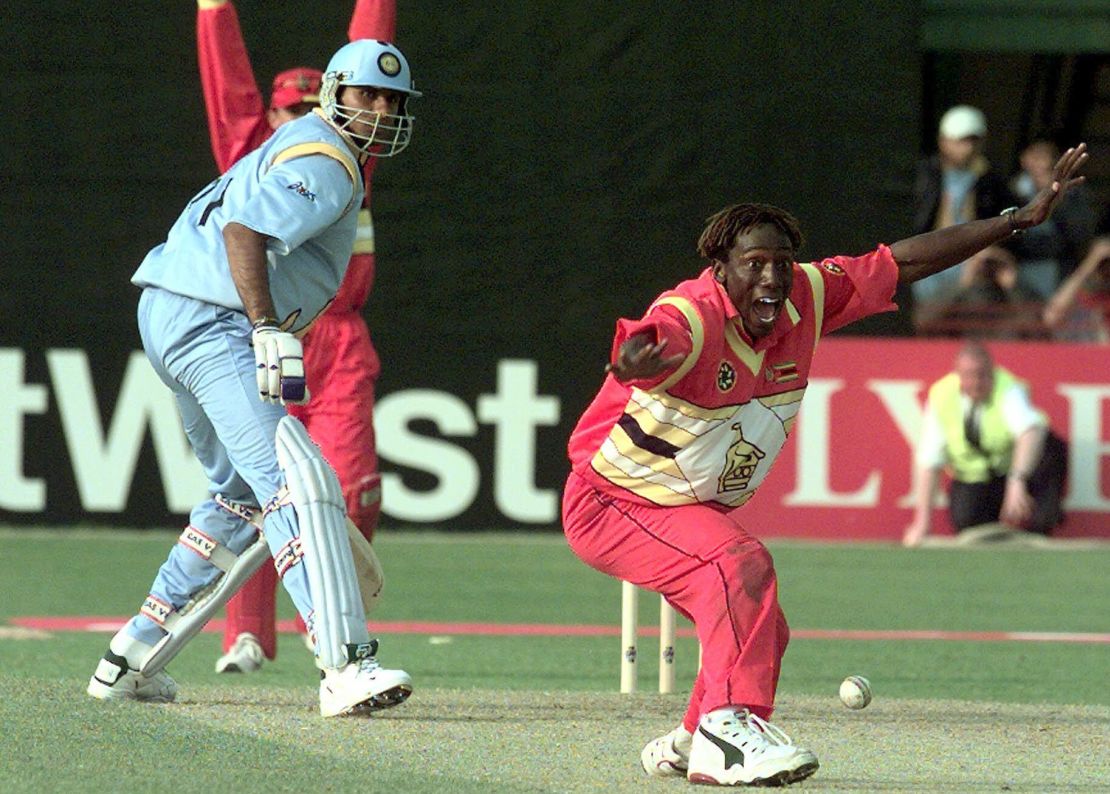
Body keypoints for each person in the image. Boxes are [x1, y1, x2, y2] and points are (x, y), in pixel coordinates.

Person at [562, 145, 1088, 786]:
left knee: (763, 626)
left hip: (677, 504)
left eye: (781, 263)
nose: (772, 279)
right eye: (753, 264)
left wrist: (1015, 220)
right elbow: (654, 338)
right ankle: (728, 735)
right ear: (720, 268)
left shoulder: (806, 296)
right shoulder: (693, 318)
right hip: (615, 501)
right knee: (738, 564)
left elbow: (904, 261)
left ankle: (690, 737)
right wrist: (633, 362)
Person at [86, 38, 421, 718]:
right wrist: (265, 324)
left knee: (238, 500)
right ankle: (346, 664)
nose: (382, 110)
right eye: (368, 95)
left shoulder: (303, 140)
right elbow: (244, 231)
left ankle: (130, 657)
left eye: (393, 99)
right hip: (214, 319)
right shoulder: (329, 159)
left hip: (170, 308)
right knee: (297, 477)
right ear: (336, 93)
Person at [196, 0, 398, 674]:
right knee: (260, 488)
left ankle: (328, 617)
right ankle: (247, 634)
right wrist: (213, 9)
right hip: (264, 335)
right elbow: (229, 86)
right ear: (272, 116)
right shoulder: (250, 148)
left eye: (314, 104)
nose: (300, 118)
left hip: (337, 344)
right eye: (288, 109)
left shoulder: (350, 155)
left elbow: (370, 49)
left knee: (348, 487)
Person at [902, 342, 1068, 548]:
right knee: (967, 526)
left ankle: (1039, 531)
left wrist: (1017, 481)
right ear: (958, 376)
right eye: (969, 375)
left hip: (1019, 470)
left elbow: (1030, 432)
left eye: (982, 375)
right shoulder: (941, 396)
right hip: (976, 476)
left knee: (1051, 452)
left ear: (992, 372)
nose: (976, 382)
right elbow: (929, 460)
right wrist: (922, 524)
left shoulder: (1007, 388)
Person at [911, 105, 1016, 306]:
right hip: (928, 260)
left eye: (973, 141)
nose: (967, 148)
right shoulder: (925, 175)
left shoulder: (991, 181)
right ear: (944, 141)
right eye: (961, 141)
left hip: (972, 264)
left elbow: (1008, 222)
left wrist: (992, 251)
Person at [1009, 138, 1098, 298]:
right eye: (1035, 157)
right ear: (1024, 159)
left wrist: (1056, 199)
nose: (1041, 164)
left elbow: (1080, 235)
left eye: (1046, 157)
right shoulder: (1012, 192)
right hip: (1021, 268)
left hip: (1059, 268)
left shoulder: (1072, 193)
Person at [913, 244, 1047, 339]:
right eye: (978, 262)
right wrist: (963, 283)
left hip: (1007, 351)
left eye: (992, 263)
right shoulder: (957, 295)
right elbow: (923, 323)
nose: (985, 268)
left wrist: (1013, 285)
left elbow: (1039, 331)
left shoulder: (1019, 295)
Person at [1042, 235, 1110, 342]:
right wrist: (1091, 262)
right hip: (1082, 353)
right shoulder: (1080, 299)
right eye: (1103, 266)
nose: (1107, 271)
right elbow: (1050, 318)